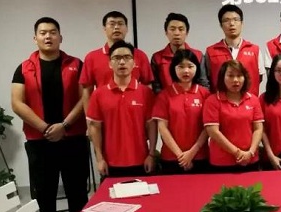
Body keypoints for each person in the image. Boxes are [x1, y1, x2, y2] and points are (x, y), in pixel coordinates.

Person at [11, 17, 89, 212]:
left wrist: (64, 126)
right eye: (43, 33)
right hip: (40, 143)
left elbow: (85, 97)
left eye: (53, 32)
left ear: (60, 37)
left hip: (73, 140)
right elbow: (17, 103)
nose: (48, 36)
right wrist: (45, 128)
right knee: (43, 197)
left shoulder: (76, 65)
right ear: (35, 38)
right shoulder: (24, 68)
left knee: (78, 195)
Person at [86, 41, 158, 178]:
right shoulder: (98, 94)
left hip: (141, 161)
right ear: (110, 63)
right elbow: (95, 128)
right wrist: (100, 159)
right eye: (117, 58)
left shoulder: (146, 93)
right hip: (110, 163)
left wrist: (151, 154)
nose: (122, 62)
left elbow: (151, 125)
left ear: (134, 63)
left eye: (127, 57)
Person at [152, 49, 210, 175]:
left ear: (197, 68)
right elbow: (163, 128)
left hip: (200, 156)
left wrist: (192, 152)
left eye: (190, 66)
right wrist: (180, 155)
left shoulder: (205, 94)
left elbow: (208, 127)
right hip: (171, 158)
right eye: (181, 67)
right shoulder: (164, 95)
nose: (186, 71)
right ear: (173, 69)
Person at [80, 11, 153, 110]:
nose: (116, 27)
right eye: (112, 24)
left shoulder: (140, 55)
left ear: (127, 28)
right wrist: (90, 117)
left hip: (134, 111)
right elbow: (87, 91)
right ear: (104, 29)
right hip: (103, 112)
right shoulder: (91, 57)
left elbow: (147, 86)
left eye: (120, 24)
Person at [203, 60, 264, 172]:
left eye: (239, 75)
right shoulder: (212, 101)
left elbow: (258, 129)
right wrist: (238, 153)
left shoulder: (253, 100)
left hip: (250, 159)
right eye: (230, 76)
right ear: (222, 78)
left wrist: (250, 152)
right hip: (222, 161)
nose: (235, 80)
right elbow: (213, 132)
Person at [205, 5, 263, 96]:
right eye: (226, 20)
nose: (232, 23)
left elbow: (259, 78)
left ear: (242, 23)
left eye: (236, 19)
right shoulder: (211, 51)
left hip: (248, 102)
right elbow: (208, 79)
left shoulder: (255, 50)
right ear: (221, 25)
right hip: (220, 102)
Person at [151, 12, 207, 93]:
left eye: (181, 29)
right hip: (167, 99)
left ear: (187, 32)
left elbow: (203, 84)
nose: (177, 33)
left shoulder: (198, 55)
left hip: (194, 99)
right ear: (166, 32)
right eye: (172, 29)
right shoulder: (157, 58)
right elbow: (156, 88)